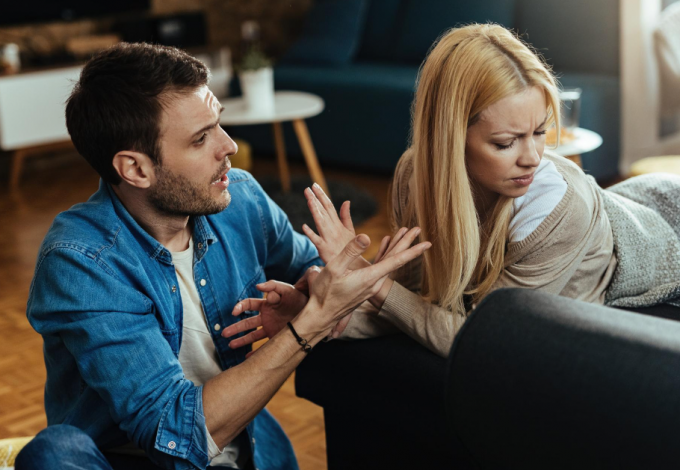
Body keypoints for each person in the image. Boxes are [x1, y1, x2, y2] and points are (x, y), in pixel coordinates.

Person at [16, 43, 430, 470]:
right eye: (201, 139)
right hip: (130, 459)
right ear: (136, 169)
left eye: (219, 125)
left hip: (243, 450)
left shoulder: (241, 197)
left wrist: (314, 290)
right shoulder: (80, 261)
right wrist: (310, 323)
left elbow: (315, 273)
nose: (229, 146)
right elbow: (173, 432)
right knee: (53, 454)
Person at [227, 23, 680, 360]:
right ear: (449, 138)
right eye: (505, 143)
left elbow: (481, 339)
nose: (532, 157)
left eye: (541, 132)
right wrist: (309, 314)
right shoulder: (414, 175)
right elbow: (420, 302)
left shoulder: (558, 210)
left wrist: (375, 282)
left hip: (664, 231)